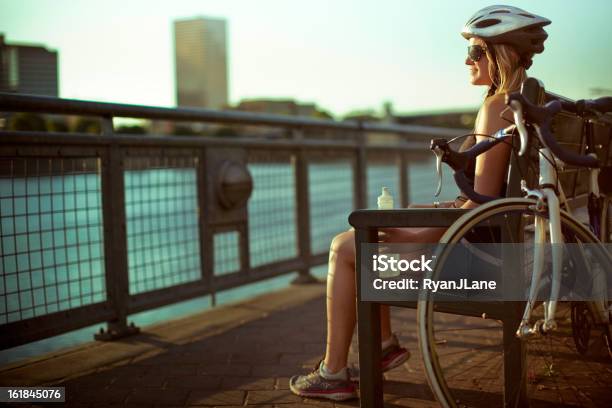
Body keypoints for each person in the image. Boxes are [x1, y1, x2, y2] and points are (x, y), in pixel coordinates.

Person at [289, 5, 551, 401]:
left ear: (503, 54)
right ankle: (383, 347)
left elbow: (477, 209)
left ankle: (334, 372)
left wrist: (416, 234)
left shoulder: (497, 106)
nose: (467, 60)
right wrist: (431, 216)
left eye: (477, 51)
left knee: (347, 247)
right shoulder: (525, 102)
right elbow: (487, 196)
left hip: (486, 266)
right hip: (507, 249)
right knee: (378, 237)